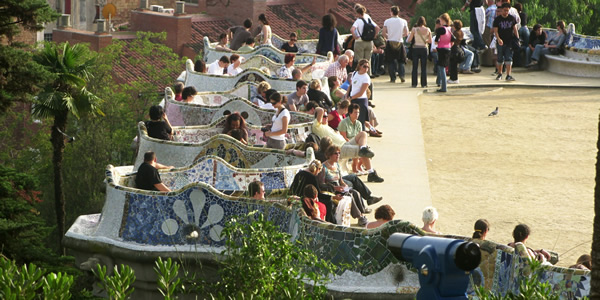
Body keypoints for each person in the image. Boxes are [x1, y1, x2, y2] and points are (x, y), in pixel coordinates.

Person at [319, 145, 370, 226]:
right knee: (349, 195)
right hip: (331, 190)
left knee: (355, 193)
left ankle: (362, 214)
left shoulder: (337, 165)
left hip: (339, 188)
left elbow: (341, 180)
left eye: (339, 153)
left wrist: (345, 185)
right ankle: (359, 216)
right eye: (336, 153)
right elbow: (321, 185)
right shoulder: (324, 168)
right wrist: (335, 188)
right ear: (330, 155)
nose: (338, 155)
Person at [338, 104, 383, 182]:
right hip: (346, 143)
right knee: (363, 148)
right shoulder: (343, 123)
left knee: (364, 142)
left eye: (358, 113)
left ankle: (362, 162)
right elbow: (343, 138)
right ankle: (363, 169)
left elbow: (360, 137)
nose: (357, 114)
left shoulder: (358, 123)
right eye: (355, 112)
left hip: (355, 142)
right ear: (350, 113)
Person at [350, 4, 379, 76]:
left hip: (360, 42)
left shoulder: (358, 20)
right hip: (369, 42)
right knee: (368, 60)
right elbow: (377, 28)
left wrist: (355, 36)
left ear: (357, 13)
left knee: (360, 60)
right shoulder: (368, 18)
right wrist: (374, 36)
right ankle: (368, 75)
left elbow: (352, 29)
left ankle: (360, 74)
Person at [493, 2, 519, 81]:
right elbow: (496, 31)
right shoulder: (497, 20)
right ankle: (500, 73)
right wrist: (498, 39)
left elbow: (515, 29)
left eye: (507, 10)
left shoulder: (511, 18)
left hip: (509, 41)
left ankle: (508, 75)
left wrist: (517, 39)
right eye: (504, 10)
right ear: (501, 10)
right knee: (500, 58)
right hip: (501, 41)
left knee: (509, 58)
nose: (506, 12)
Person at [382, 5, 408, 83]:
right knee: (401, 61)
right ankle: (402, 75)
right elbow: (406, 33)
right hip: (399, 41)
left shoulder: (387, 21)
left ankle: (393, 78)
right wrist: (400, 35)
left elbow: (383, 33)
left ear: (391, 12)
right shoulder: (403, 21)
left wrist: (388, 36)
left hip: (390, 41)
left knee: (391, 61)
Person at [407, 16, 432, 88]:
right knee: (423, 67)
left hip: (416, 48)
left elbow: (409, 40)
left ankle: (414, 83)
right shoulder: (428, 30)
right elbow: (430, 41)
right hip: (424, 48)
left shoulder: (414, 29)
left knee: (415, 67)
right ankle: (424, 83)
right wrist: (425, 41)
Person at [347, 59, 370, 129]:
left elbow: (361, 93)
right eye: (364, 66)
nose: (366, 69)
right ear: (360, 66)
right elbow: (351, 86)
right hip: (352, 98)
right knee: (350, 119)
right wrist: (347, 95)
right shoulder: (354, 73)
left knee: (360, 121)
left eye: (367, 67)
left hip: (361, 100)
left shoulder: (366, 78)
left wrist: (350, 98)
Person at [434, 13, 453, 92]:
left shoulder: (441, 29)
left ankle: (444, 87)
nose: (440, 21)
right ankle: (442, 85)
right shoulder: (449, 29)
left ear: (443, 20)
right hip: (448, 48)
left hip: (442, 49)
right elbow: (453, 39)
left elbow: (436, 40)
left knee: (441, 68)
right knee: (444, 67)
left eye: (441, 20)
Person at [448, 20, 465, 84]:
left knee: (453, 65)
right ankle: (454, 78)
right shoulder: (461, 32)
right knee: (455, 65)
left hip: (454, 49)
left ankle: (453, 78)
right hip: (458, 48)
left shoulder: (455, 33)